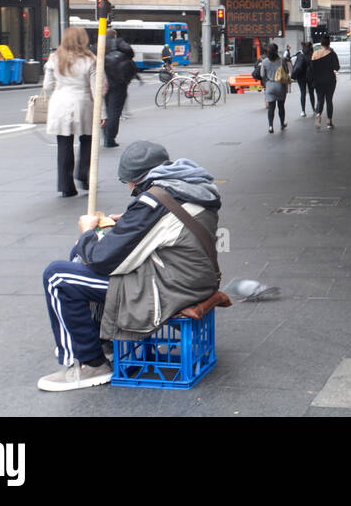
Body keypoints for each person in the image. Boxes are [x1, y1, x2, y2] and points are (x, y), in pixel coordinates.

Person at [37, 140, 221, 391]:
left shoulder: (152, 203)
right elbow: (168, 225)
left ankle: (89, 363)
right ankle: (101, 342)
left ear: (137, 179)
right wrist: (128, 223)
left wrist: (87, 233)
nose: (130, 191)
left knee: (58, 276)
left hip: (169, 288)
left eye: (129, 185)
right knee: (78, 256)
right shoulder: (190, 185)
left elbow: (103, 259)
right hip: (194, 279)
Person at [43, 26, 97, 197]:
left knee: (64, 143)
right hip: (83, 101)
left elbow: (47, 86)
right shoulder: (90, 59)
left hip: (60, 102)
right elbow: (96, 88)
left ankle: (65, 186)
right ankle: (83, 173)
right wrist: (102, 113)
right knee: (88, 140)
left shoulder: (54, 58)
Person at [101, 28, 137, 148]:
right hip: (118, 82)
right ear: (115, 35)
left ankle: (105, 134)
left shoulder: (99, 45)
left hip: (103, 81)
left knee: (105, 110)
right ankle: (110, 138)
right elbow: (130, 52)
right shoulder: (119, 43)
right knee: (114, 112)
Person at [308, 37, 340, 129]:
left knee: (320, 100)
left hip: (318, 81)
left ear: (321, 44)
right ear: (329, 44)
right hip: (330, 80)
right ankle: (329, 122)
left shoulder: (315, 54)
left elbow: (312, 68)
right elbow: (337, 67)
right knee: (329, 100)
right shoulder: (332, 54)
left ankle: (318, 117)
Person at [259, 43, 290, 133]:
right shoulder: (282, 61)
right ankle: (282, 123)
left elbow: (262, 75)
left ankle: (270, 126)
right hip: (280, 86)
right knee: (281, 107)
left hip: (269, 86)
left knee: (271, 108)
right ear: (276, 51)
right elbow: (286, 72)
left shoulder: (264, 61)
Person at [291, 42, 313, 117]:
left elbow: (296, 65)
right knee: (311, 92)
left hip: (301, 77)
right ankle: (313, 109)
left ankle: (303, 111)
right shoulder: (312, 54)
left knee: (302, 93)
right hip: (310, 76)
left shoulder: (300, 54)